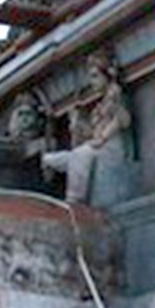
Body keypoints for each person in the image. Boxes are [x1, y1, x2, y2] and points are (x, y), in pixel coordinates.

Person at [42, 51, 132, 204]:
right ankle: (48, 162)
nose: (92, 82)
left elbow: (123, 120)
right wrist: (77, 124)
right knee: (67, 157)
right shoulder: (101, 104)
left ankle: (74, 198)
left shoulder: (115, 95)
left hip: (112, 148)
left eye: (95, 76)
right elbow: (91, 134)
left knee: (79, 155)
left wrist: (103, 138)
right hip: (98, 147)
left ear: (107, 76)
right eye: (91, 77)